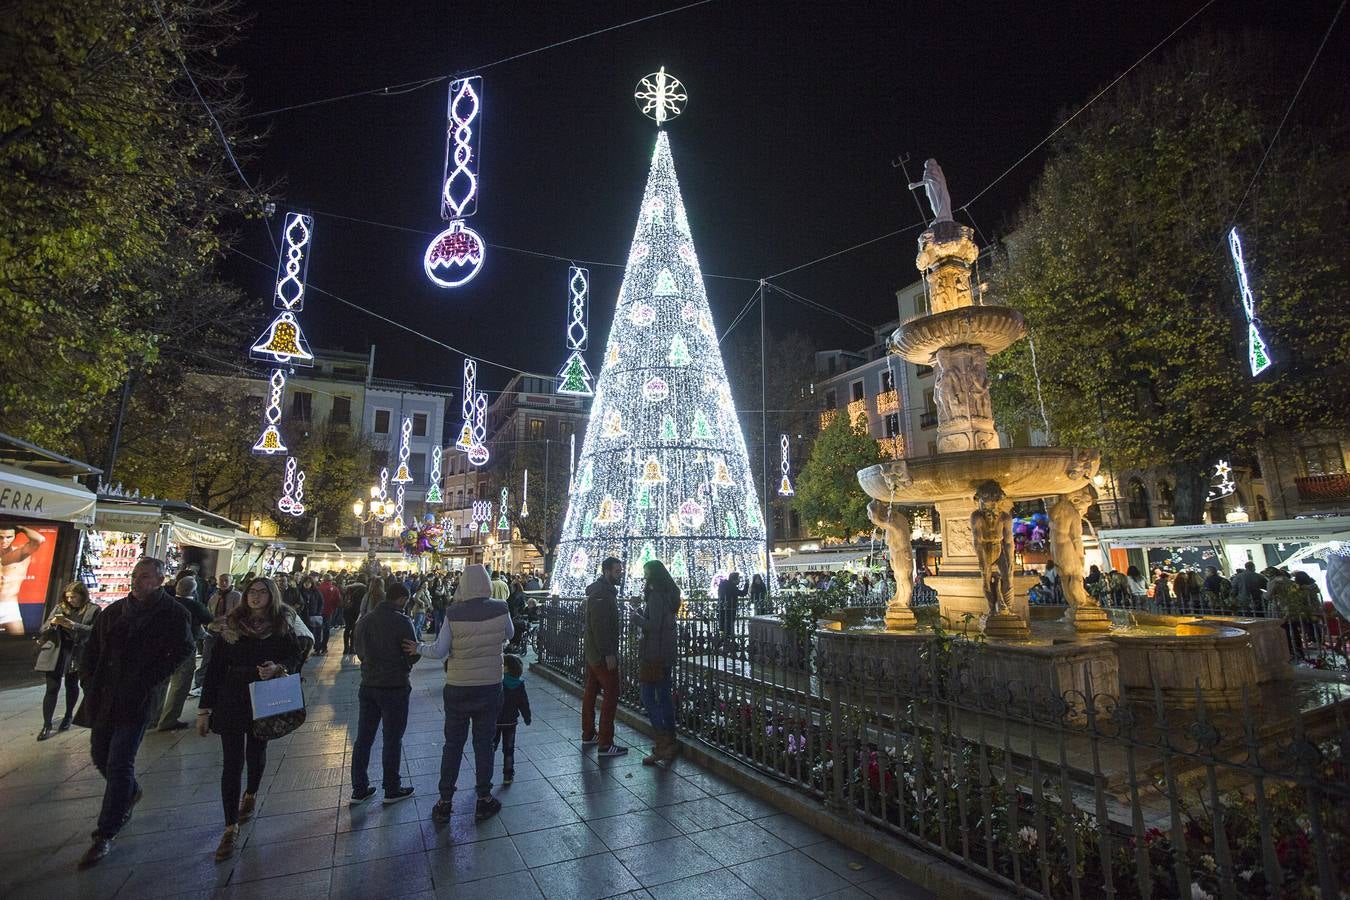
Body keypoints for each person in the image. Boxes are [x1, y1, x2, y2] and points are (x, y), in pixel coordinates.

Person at [74, 557, 194, 868]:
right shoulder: (115, 611)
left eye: (145, 577)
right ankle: (131, 791)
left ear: (159, 579)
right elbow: (92, 650)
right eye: (135, 575)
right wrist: (86, 678)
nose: (137, 581)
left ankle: (106, 832)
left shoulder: (172, 613)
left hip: (137, 699)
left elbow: (183, 649)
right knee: (100, 754)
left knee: (119, 760)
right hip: (104, 694)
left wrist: (152, 679)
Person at [197, 577, 308, 861]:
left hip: (264, 695)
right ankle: (230, 826)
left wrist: (279, 667)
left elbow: (295, 656)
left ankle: (251, 793)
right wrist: (205, 708)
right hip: (232, 697)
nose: (255, 597)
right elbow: (214, 669)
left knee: (257, 750)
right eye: (251, 592)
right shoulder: (231, 627)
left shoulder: (281, 625)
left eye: (261, 593)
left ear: (272, 596)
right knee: (232, 762)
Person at [405, 564, 513, 824]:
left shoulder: (454, 613)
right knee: (483, 743)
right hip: (489, 685)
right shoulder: (501, 608)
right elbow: (509, 634)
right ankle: (483, 798)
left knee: (453, 744)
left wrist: (418, 647)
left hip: (458, 686)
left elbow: (440, 650)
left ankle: (445, 801)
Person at [349, 582, 418, 806]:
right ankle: (392, 787)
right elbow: (412, 652)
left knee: (364, 739)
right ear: (402, 599)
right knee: (392, 738)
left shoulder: (365, 620)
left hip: (368, 684)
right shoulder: (402, 621)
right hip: (394, 685)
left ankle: (359, 788)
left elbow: (358, 650)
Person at [630, 559, 681, 766]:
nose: (644, 577)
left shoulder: (656, 595)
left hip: (654, 654)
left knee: (648, 697)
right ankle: (670, 741)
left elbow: (654, 626)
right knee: (664, 697)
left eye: (646, 573)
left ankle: (662, 744)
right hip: (664, 653)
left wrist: (637, 618)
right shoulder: (667, 594)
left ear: (653, 575)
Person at [35, 581, 99, 740]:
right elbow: (42, 629)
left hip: (77, 652)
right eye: (68, 597)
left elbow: (95, 631)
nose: (70, 600)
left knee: (72, 685)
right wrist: (52, 623)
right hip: (57, 651)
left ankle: (68, 716)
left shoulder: (93, 610)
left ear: (82, 596)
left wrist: (73, 625)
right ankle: (47, 724)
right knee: (52, 688)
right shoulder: (59, 608)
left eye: (74, 597)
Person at [581, 557, 627, 757]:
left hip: (593, 652)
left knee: (591, 692)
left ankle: (589, 733)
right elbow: (600, 625)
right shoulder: (601, 594)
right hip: (601, 654)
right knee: (611, 694)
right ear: (606, 571)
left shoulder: (601, 591)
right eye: (617, 571)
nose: (620, 575)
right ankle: (606, 743)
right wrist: (608, 652)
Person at [156, 577, 213, 731]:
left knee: (161, 683)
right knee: (180, 684)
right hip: (184, 647)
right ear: (194, 591)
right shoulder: (194, 605)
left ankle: (154, 718)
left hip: (162, 647)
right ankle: (168, 719)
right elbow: (209, 619)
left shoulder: (166, 603)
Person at [195, 574, 242, 695]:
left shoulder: (237, 596)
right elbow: (208, 612)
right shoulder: (214, 596)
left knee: (224, 658)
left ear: (231, 582)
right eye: (221, 581)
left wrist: (221, 620)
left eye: (226, 581)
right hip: (213, 630)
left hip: (228, 630)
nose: (223, 583)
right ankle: (200, 684)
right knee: (207, 657)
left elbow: (236, 613)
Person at [0, 525, 46, 635]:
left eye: (9, 537)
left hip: (9, 606)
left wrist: (20, 527)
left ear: (15, 536)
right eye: (0, 537)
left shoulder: (20, 553)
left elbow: (40, 539)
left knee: (18, 644)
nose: (4, 541)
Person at [495, 654, 531, 784]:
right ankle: (508, 775)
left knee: (490, 747)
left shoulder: (498, 682)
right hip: (511, 722)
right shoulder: (519, 684)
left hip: (495, 721)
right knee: (509, 749)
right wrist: (527, 717)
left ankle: (485, 774)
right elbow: (524, 703)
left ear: (506, 669)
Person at [298, 575, 327, 655]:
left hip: (314, 616)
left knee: (316, 633)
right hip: (303, 616)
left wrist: (318, 612)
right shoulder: (299, 591)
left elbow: (321, 602)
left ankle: (316, 648)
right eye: (305, 583)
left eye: (309, 583)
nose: (307, 584)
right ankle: (306, 649)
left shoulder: (316, 592)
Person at [341, 580, 368, 657]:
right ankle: (352, 648)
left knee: (347, 629)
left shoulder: (348, 588)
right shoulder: (363, 589)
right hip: (355, 611)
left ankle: (346, 648)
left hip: (347, 611)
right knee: (354, 629)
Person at [717, 571, 748, 638]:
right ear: (734, 579)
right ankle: (728, 637)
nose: (739, 580)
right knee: (729, 622)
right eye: (738, 579)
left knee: (723, 622)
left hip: (723, 606)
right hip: (730, 607)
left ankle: (723, 635)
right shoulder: (731, 587)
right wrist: (746, 585)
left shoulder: (724, 585)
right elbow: (742, 593)